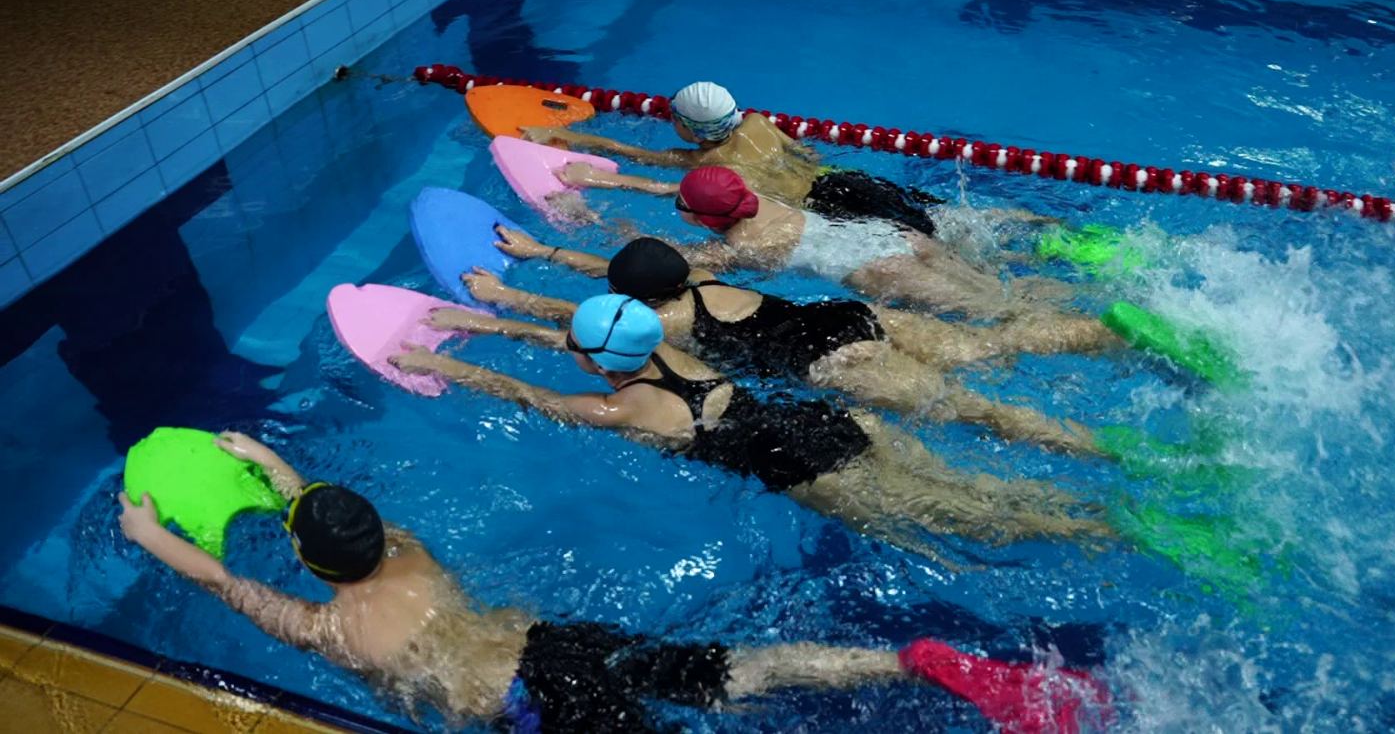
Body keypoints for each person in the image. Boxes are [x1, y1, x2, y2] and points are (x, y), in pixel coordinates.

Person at [116, 432, 1111, 733]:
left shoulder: (331, 630)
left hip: (526, 706)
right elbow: (333, 512)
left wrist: (148, 534)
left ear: (301, 560)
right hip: (563, 643)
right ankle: (916, 664)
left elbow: (222, 585)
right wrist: (277, 467)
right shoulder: (409, 550)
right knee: (748, 671)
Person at [392, 294, 1112, 559]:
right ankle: (1100, 512)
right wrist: (490, 317)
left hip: (807, 472)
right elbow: (585, 333)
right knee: (974, 486)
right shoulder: (666, 343)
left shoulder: (615, 409)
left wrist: (448, 359)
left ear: (589, 362)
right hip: (834, 422)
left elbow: (522, 395)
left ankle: (1102, 534)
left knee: (968, 524)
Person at [446, 235, 1113, 456]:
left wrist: (508, 301)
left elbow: (578, 319)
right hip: (852, 319)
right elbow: (614, 272)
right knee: (987, 348)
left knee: (978, 412)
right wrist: (550, 252)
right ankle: (1104, 332)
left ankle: (1100, 446)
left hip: (837, 364)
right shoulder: (695, 275)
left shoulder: (669, 331)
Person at [567, 162, 1087, 321]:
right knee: (997, 288)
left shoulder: (745, 248)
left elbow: (659, 263)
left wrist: (590, 216)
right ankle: (1083, 301)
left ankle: (1093, 331)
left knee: (996, 313)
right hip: (897, 238)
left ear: (703, 221)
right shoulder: (761, 198)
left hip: (882, 269)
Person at [519, 80, 946, 235]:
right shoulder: (759, 121)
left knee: (911, 234)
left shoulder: (708, 165)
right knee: (930, 215)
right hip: (844, 178)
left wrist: (560, 134)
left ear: (691, 129)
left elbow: (632, 153)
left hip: (824, 207)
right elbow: (802, 150)